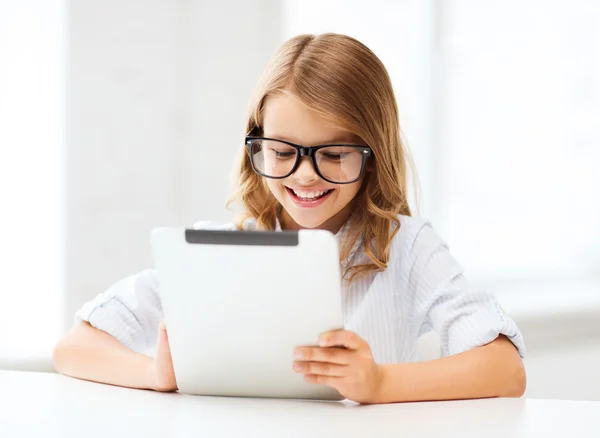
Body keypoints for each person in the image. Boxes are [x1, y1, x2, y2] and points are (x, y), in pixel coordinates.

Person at [53, 33, 526, 404]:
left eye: (335, 153)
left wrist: (380, 383)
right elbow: (74, 348)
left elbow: (506, 368)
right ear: (256, 144)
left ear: (375, 154)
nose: (304, 175)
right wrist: (153, 375)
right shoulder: (217, 252)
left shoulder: (408, 248)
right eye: (281, 152)